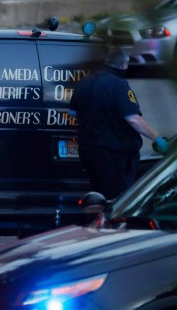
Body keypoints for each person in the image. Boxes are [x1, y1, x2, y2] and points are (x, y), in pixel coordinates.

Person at [70, 47, 169, 200]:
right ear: (124, 65)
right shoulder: (119, 86)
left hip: (88, 150)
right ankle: (112, 223)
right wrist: (157, 139)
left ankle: (100, 220)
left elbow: (73, 112)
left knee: (99, 196)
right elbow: (133, 119)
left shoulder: (85, 82)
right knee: (117, 199)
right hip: (113, 155)